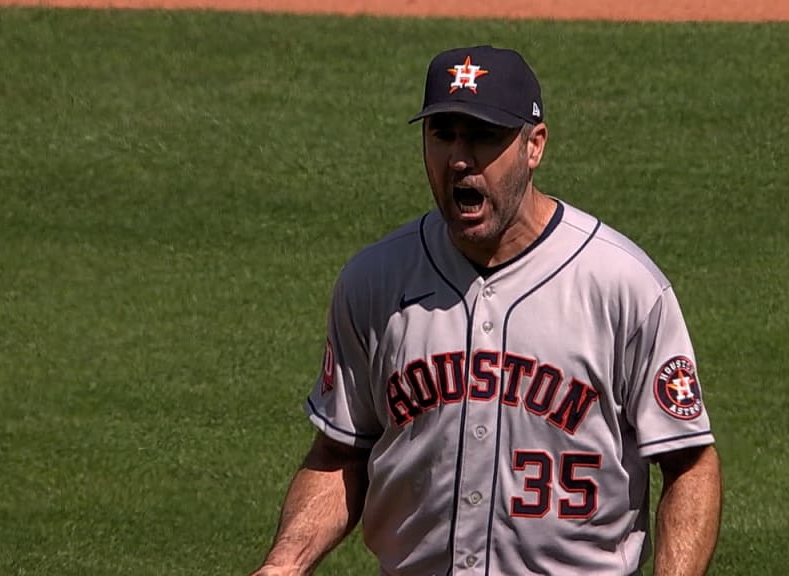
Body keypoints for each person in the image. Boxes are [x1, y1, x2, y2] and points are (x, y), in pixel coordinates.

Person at [251, 45, 722, 576]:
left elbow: (689, 463)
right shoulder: (374, 281)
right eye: (443, 134)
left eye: (483, 136)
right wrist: (284, 564)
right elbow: (341, 453)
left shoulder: (622, 285)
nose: (459, 158)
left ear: (534, 145)